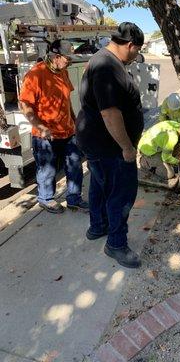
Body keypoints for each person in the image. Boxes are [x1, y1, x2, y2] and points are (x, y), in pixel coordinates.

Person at [76, 22, 144, 269]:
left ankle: (98, 226)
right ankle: (116, 244)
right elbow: (110, 113)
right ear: (130, 45)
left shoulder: (99, 59)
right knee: (122, 192)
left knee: (100, 185)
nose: (136, 56)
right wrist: (127, 147)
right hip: (110, 144)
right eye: (137, 51)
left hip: (96, 141)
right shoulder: (107, 66)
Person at [19, 39, 88, 214]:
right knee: (47, 170)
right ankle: (46, 199)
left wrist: (74, 121)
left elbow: (66, 101)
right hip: (45, 136)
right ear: (56, 57)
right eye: (67, 58)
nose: (70, 62)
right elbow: (25, 106)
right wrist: (40, 127)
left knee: (74, 165)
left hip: (67, 131)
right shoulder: (35, 75)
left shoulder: (63, 72)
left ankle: (73, 198)